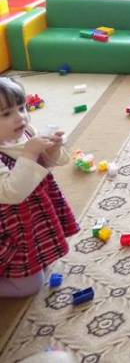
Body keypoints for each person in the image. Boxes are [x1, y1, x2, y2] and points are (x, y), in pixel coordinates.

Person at [0, 77, 76, 298]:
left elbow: (48, 163)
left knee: (40, 257)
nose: (20, 117)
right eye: (6, 114)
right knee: (29, 286)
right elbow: (11, 192)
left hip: (29, 216)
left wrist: (52, 148)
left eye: (21, 108)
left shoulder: (25, 132)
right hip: (8, 225)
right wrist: (30, 153)